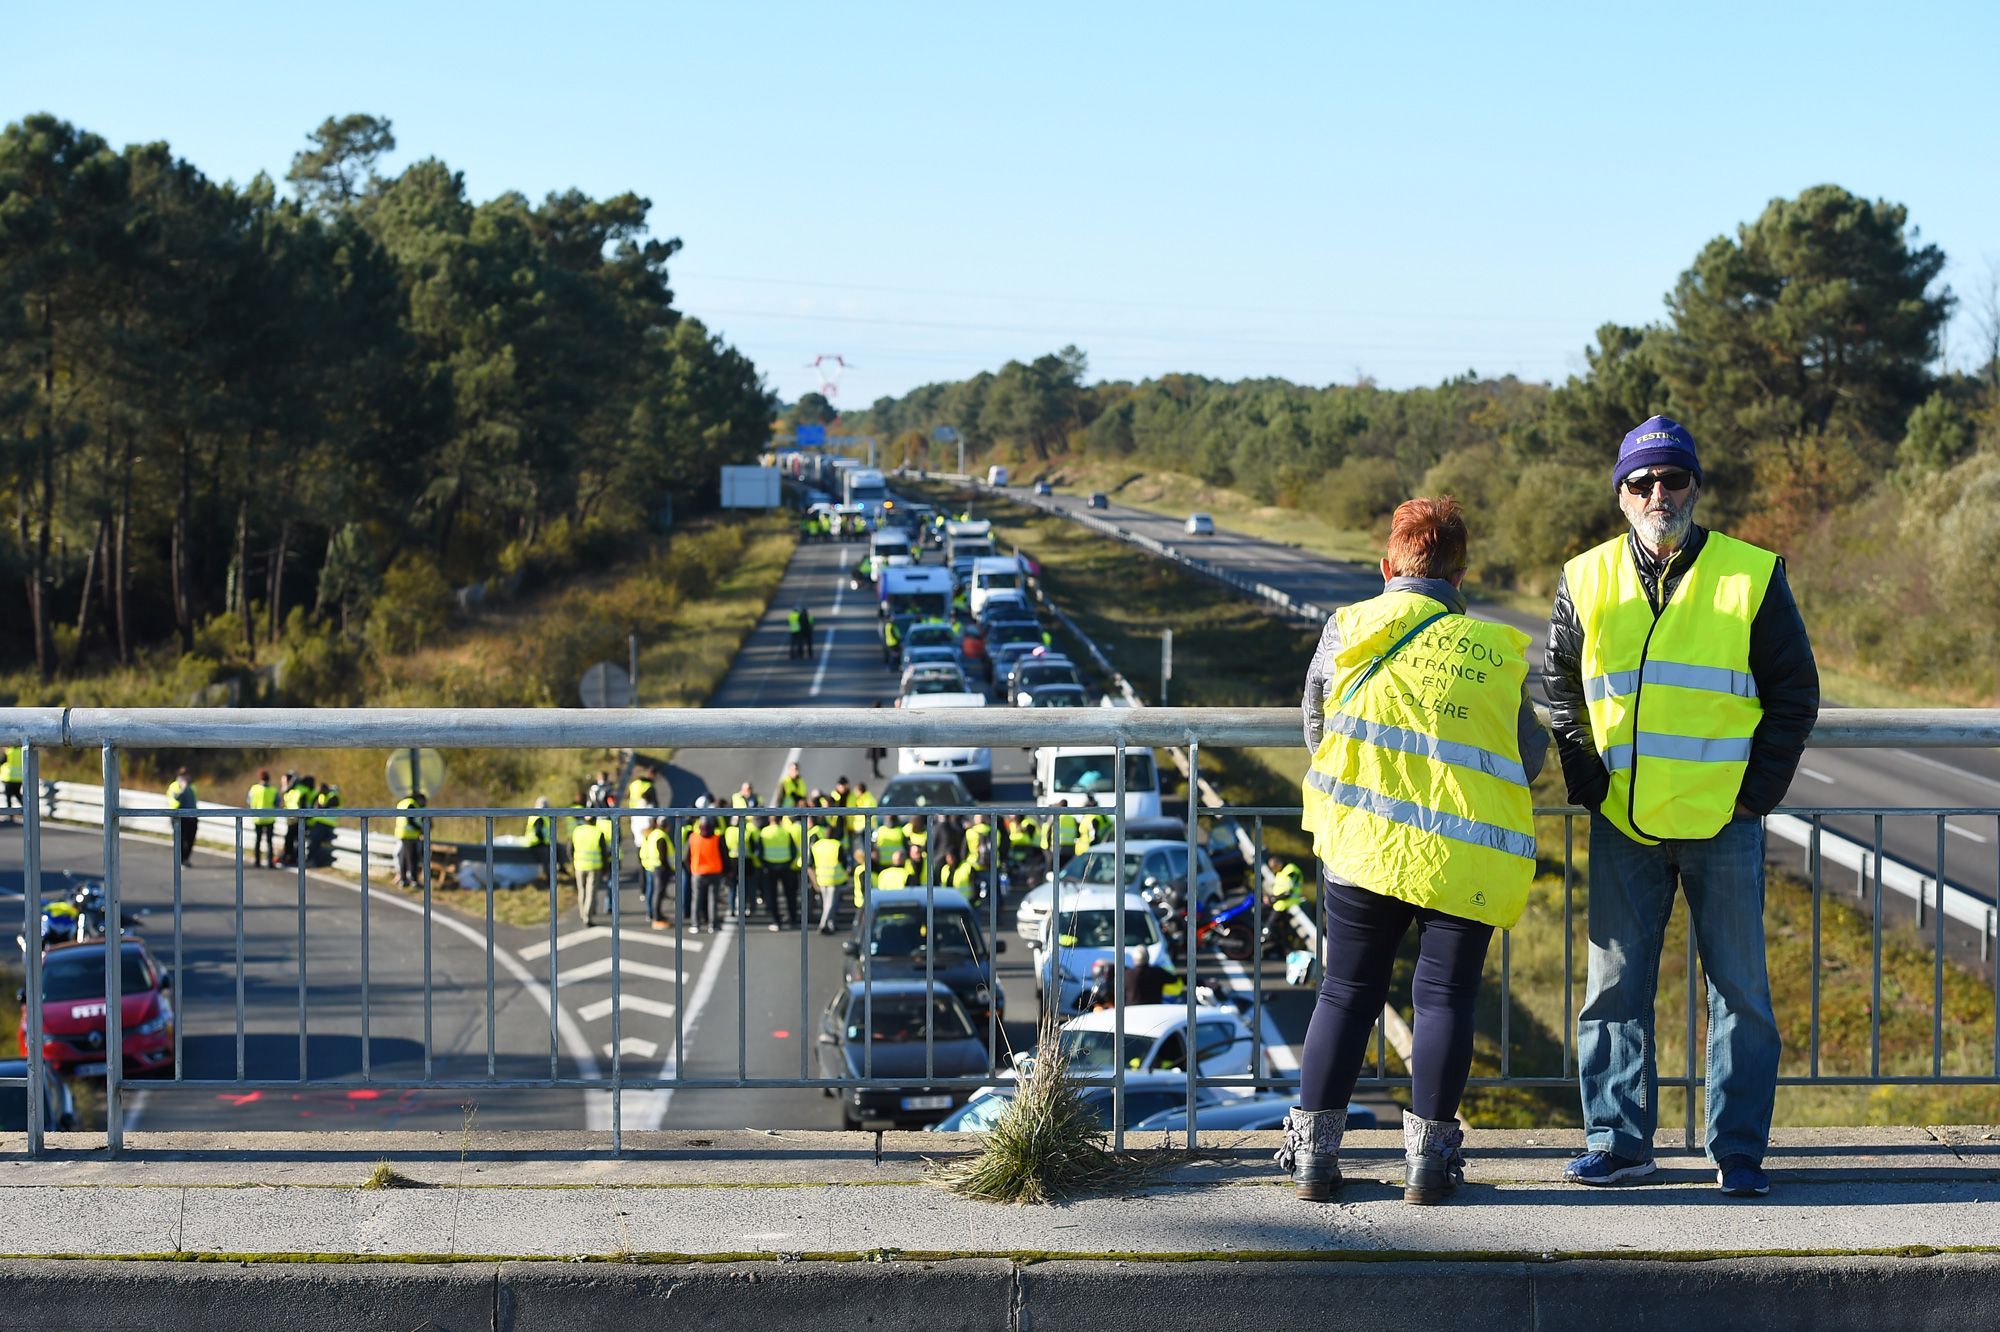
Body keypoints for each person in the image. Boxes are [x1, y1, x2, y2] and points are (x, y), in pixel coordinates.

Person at [1546, 416, 1818, 1199]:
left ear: (1695, 485)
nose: (1657, 493)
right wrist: (1586, 779)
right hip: (1623, 821)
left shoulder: (1752, 574)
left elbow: (1795, 692)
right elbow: (1560, 686)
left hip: (1722, 822)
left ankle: (1737, 1153)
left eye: (1672, 479)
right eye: (1642, 481)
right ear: (1621, 494)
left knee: (1740, 993)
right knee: (1614, 991)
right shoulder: (1584, 576)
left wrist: (1754, 794)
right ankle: (1620, 1144)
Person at [1280, 496, 1546, 1207]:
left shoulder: (1349, 628)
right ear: (1461, 573)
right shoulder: (1494, 651)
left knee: (1345, 993)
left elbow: (1318, 725)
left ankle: (1313, 1163)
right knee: (1444, 1000)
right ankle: (1428, 1168)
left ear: (1387, 565)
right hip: (1463, 855)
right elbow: (1528, 754)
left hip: (1364, 845)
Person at [810, 816, 851, 934]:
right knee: (830, 904)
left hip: (821, 877)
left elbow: (811, 862)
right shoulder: (837, 844)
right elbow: (843, 861)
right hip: (834, 878)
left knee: (826, 902)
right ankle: (823, 924)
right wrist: (846, 872)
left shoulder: (817, 845)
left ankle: (830, 924)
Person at [757, 814, 799, 930]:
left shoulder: (764, 832)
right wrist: (789, 862)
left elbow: (759, 851)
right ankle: (793, 920)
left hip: (770, 867)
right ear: (780, 820)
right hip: (786, 866)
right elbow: (793, 850)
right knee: (790, 895)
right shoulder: (786, 832)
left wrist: (765, 864)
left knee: (772, 895)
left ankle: (777, 921)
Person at [685, 816, 726, 933]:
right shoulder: (717, 839)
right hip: (715, 872)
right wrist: (726, 872)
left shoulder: (693, 838)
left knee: (696, 899)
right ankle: (713, 925)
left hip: (698, 873)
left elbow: (685, 857)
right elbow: (724, 856)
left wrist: (691, 869)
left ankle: (695, 924)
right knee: (713, 899)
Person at [571, 814, 611, 925]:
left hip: (579, 865)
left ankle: (582, 913)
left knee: (581, 891)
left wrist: (572, 861)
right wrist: (605, 868)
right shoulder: (598, 833)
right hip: (594, 866)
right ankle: (587, 916)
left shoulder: (577, 831)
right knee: (591, 892)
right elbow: (604, 853)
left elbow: (570, 848)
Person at [639, 818, 676, 930]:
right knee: (658, 893)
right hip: (659, 868)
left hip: (650, 866)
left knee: (653, 891)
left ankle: (653, 914)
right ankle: (657, 917)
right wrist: (670, 869)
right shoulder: (661, 836)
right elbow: (663, 856)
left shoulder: (653, 834)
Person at [246, 769, 279, 869]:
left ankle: (257, 861)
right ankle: (270, 862)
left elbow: (248, 801)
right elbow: (277, 804)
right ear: (269, 779)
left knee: (258, 840)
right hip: (269, 818)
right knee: (269, 841)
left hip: (257, 818)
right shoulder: (273, 790)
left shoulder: (254, 789)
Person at [394, 789, 426, 888]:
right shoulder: (411, 804)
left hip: (401, 833)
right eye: (423, 800)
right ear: (418, 799)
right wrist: (420, 829)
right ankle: (414, 880)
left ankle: (404, 879)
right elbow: (411, 819)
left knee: (403, 857)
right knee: (412, 858)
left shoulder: (402, 803)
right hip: (410, 835)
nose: (424, 803)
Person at [166, 768, 198, 868]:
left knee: (190, 839)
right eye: (184, 775)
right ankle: (180, 860)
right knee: (180, 839)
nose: (186, 777)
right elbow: (176, 797)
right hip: (177, 816)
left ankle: (186, 859)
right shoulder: (175, 786)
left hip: (191, 816)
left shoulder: (192, 786)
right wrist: (183, 788)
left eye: (187, 775)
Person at [1, 743, 23, 823]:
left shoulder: (9, 752)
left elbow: (2, 761)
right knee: (17, 795)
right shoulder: (21, 751)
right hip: (19, 778)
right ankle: (28, 810)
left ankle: (10, 816)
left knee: (8, 797)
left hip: (10, 778)